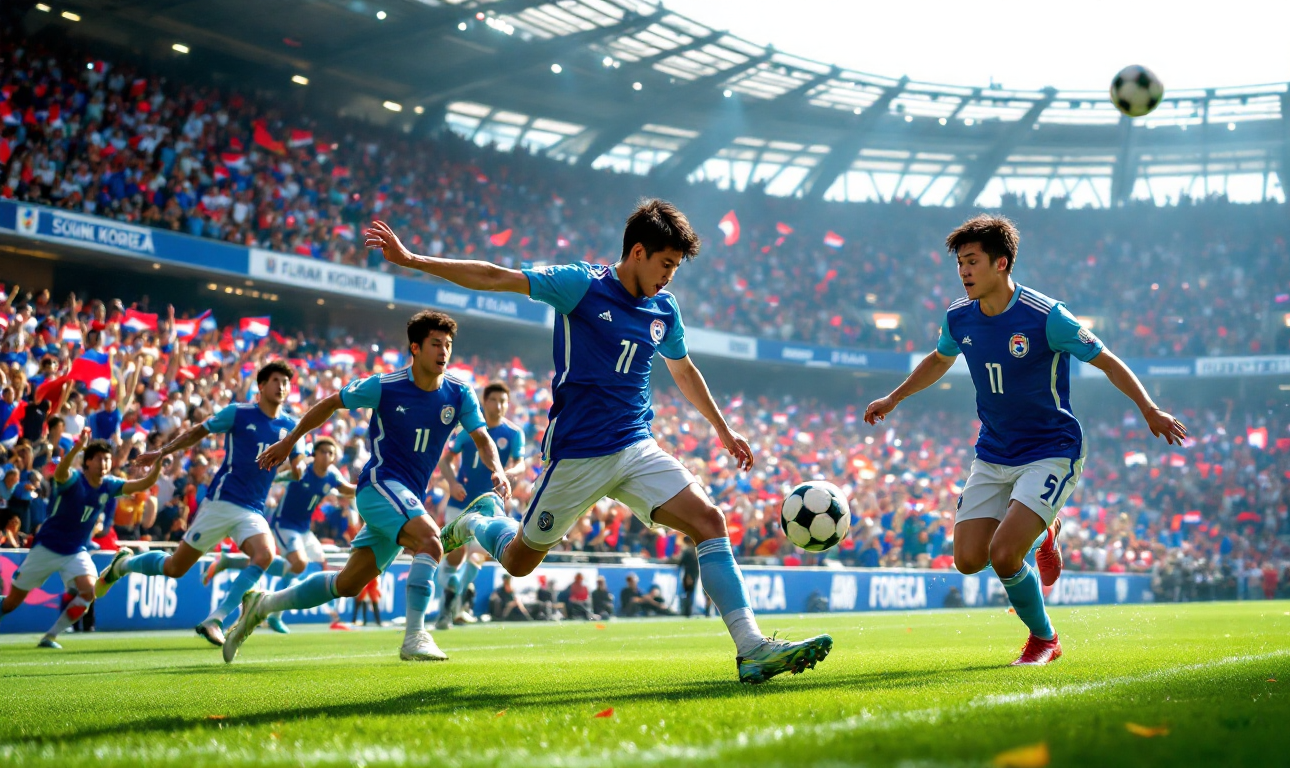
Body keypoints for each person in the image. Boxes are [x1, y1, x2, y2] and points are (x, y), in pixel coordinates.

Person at [367, 201, 832, 684]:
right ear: (637, 251)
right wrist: (415, 260)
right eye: (666, 264)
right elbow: (494, 275)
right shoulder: (581, 285)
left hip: (636, 445)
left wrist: (721, 428)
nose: (670, 277)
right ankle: (482, 521)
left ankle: (752, 647)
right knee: (520, 562)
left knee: (710, 521)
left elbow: (684, 370)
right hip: (578, 455)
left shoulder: (664, 308)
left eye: (676, 267)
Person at [864, 214, 1186, 665]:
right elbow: (938, 360)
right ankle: (1047, 533)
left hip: (1051, 450)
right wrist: (894, 398)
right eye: (959, 264)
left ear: (1002, 263)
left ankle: (1045, 640)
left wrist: (1148, 408)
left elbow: (1107, 360)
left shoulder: (1046, 317)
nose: (964, 272)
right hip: (993, 451)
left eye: (972, 261)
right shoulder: (959, 318)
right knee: (969, 559)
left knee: (1004, 553)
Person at [224, 311, 510, 662]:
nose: (444, 352)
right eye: (436, 344)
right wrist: (290, 441)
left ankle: (263, 604)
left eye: (448, 345)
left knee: (347, 585)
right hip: (379, 486)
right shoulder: (385, 386)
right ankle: (415, 635)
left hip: (406, 498)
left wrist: (497, 469)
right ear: (415, 348)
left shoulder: (459, 393)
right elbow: (330, 403)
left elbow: (482, 438)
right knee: (429, 540)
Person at [94, 361, 302, 646]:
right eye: (276, 380)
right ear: (262, 386)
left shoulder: (291, 426)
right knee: (174, 568)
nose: (282, 386)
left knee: (265, 555)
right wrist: (163, 451)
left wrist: (297, 469)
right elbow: (198, 432)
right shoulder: (239, 413)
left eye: (286, 382)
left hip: (253, 508)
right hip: (222, 502)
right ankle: (123, 565)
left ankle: (215, 619)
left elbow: (299, 461)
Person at [0, 429, 162, 648]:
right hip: (47, 546)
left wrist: (158, 463)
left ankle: (50, 636)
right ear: (87, 462)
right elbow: (59, 474)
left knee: (88, 592)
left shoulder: (109, 484)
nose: (105, 463)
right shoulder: (74, 479)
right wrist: (77, 447)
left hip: (75, 550)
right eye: (100, 459)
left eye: (107, 459)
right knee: (10, 604)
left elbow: (142, 485)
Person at [203, 435, 356, 632]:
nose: (327, 456)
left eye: (331, 453)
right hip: (284, 524)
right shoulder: (302, 469)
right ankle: (275, 614)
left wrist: (370, 485)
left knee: (310, 564)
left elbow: (348, 490)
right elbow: (278, 475)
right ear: (314, 454)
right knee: (299, 563)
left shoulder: (332, 475)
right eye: (323, 452)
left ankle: (230, 561)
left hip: (304, 530)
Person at [436, 381, 527, 630]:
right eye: (494, 400)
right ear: (484, 402)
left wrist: (508, 472)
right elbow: (445, 461)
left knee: (477, 555)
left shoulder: (513, 433)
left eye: (503, 401)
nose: (499, 406)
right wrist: (453, 482)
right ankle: (452, 595)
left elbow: (522, 464)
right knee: (455, 556)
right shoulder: (469, 430)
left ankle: (453, 605)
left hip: (491, 505)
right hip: (460, 502)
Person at [676, 535, 699, 617]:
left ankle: (686, 611)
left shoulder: (687, 551)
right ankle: (688, 611)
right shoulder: (696, 551)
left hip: (688, 574)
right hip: (695, 574)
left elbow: (682, 562)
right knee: (690, 592)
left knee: (687, 592)